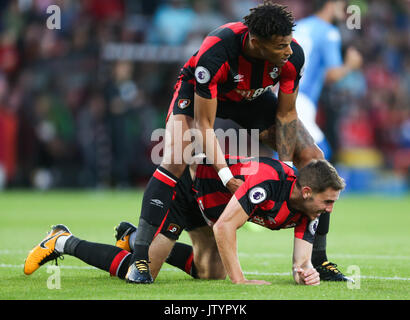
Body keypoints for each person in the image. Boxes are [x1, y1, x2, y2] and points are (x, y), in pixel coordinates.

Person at [126, 1, 329, 284]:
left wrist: (283, 170)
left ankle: (319, 261)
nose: (288, 51)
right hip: (203, 97)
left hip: (250, 98)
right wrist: (225, 175)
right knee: (174, 158)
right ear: (256, 42)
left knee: (313, 157)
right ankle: (140, 259)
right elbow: (204, 125)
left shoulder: (292, 56)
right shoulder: (217, 51)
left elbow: (285, 114)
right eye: (281, 46)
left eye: (288, 43)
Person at [24, 156, 346, 285]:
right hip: (189, 192)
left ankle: (136, 238)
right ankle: (62, 239)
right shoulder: (267, 182)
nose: (329, 209)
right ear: (306, 191)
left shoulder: (309, 210)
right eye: (327, 201)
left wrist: (305, 274)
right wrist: (242, 281)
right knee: (142, 276)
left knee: (209, 273)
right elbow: (224, 228)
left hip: (214, 206)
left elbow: (300, 263)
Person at [292, 0, 362, 276]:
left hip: (284, 97)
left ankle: (260, 204)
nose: (344, 9)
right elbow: (332, 74)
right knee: (322, 165)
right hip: (301, 102)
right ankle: (317, 257)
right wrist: (351, 65)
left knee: (308, 160)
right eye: (341, 4)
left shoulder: (300, 27)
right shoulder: (328, 31)